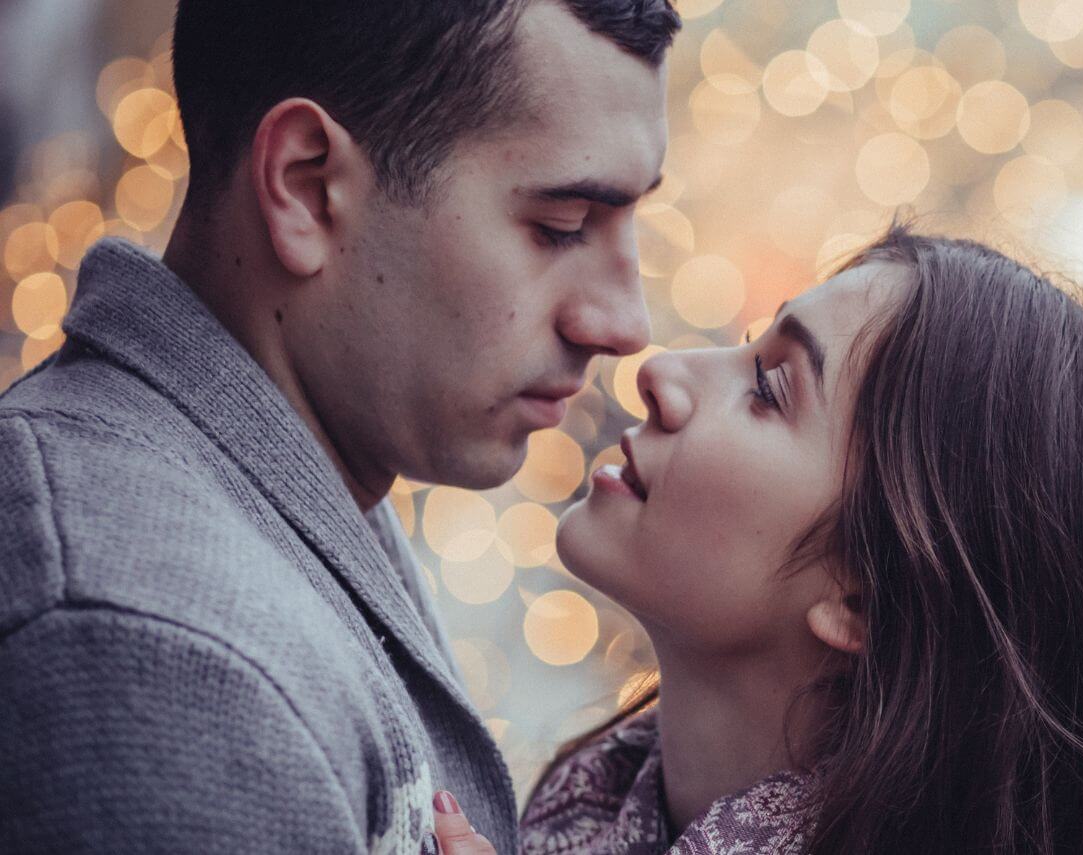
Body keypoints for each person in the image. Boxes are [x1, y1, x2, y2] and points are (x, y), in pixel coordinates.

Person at [0, 0, 679, 850]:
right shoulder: (153, 657)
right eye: (561, 227)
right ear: (306, 186)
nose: (624, 323)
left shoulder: (284, 495)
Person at [427, 225, 1083, 854]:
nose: (662, 370)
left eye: (767, 388)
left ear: (865, 599)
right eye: (750, 349)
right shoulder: (583, 807)